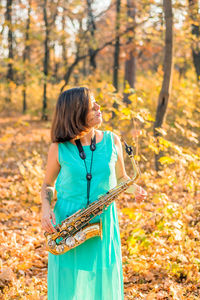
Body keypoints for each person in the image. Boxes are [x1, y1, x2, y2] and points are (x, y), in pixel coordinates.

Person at [40, 87, 147, 300]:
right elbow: (48, 184)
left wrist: (135, 188)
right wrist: (45, 208)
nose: (99, 108)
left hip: (103, 221)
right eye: (92, 105)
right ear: (76, 112)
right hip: (68, 224)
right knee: (68, 285)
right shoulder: (59, 147)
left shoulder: (112, 140)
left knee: (103, 281)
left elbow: (122, 177)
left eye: (97, 102)